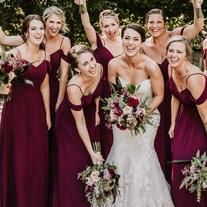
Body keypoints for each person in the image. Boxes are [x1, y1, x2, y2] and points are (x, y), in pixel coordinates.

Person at [106, 23, 174, 206]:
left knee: (141, 159)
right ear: (122, 39)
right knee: (121, 156)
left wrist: (141, 114)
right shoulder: (113, 65)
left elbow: (159, 96)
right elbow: (114, 96)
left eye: (135, 39)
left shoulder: (151, 66)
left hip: (148, 118)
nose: (130, 43)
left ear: (142, 42)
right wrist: (121, 114)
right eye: (127, 38)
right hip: (121, 120)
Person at [141, 0, 204, 179]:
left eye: (158, 21)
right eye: (151, 22)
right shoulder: (144, 47)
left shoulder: (176, 35)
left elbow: (197, 27)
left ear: (165, 23)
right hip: (159, 100)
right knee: (160, 143)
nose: (155, 26)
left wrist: (196, 5)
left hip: (181, 96)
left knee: (182, 141)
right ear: (146, 25)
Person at [0, 14, 51, 207]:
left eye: (40, 28)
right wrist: (5, 85)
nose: (38, 32)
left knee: (36, 159)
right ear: (26, 32)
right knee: (19, 157)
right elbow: (3, 84)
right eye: (34, 29)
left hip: (37, 109)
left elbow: (45, 86)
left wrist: (47, 115)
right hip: (17, 110)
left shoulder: (45, 54)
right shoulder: (15, 54)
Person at [52, 45, 104, 207]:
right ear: (77, 69)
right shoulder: (73, 88)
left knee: (90, 165)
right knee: (74, 166)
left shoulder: (99, 68)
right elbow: (79, 123)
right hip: (70, 126)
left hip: (89, 116)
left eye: (92, 60)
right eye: (85, 64)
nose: (92, 65)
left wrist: (96, 111)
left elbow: (98, 91)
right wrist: (92, 152)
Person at [0, 6, 71, 117]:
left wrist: (60, 100)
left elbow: (64, 74)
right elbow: (3, 40)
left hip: (53, 91)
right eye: (51, 22)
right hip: (30, 90)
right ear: (44, 22)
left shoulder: (65, 41)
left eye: (59, 22)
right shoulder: (32, 36)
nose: (55, 26)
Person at [74, 0, 123, 159]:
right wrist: (83, 6)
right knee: (103, 133)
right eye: (105, 26)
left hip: (122, 92)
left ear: (118, 24)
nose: (110, 29)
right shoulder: (97, 42)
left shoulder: (127, 43)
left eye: (112, 25)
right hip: (101, 94)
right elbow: (87, 26)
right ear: (101, 28)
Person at [167, 35, 207, 207]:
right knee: (178, 169)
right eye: (171, 51)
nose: (174, 55)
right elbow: (175, 95)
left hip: (198, 125)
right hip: (183, 123)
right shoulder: (171, 67)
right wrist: (173, 123)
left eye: (179, 52)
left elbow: (205, 115)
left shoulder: (193, 78)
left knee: (194, 167)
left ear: (187, 55)